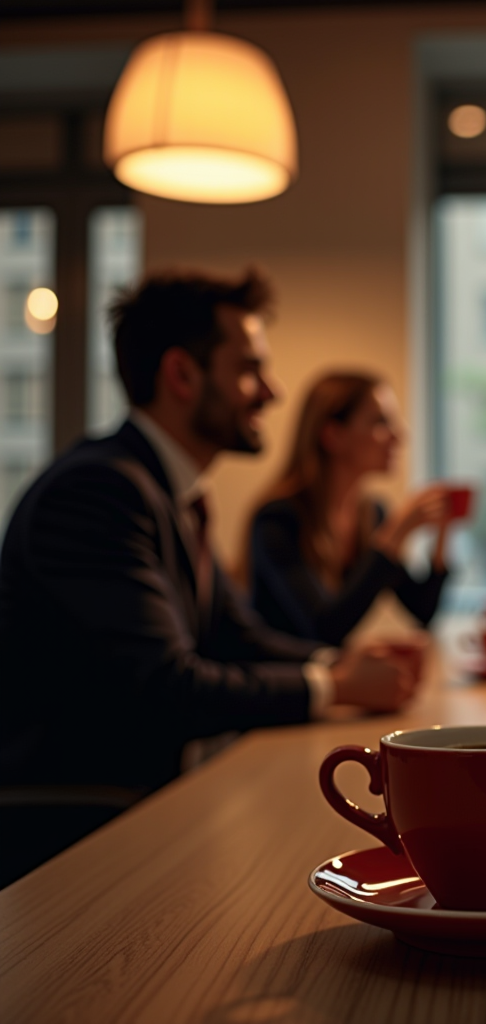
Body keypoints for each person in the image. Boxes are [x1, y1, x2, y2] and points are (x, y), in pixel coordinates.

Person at [0, 270, 419, 803]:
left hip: (142, 801)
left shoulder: (175, 494)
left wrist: (337, 665)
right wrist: (334, 686)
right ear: (182, 374)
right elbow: (166, 688)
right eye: (250, 369)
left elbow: (234, 636)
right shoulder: (97, 491)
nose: (273, 391)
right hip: (74, 817)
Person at [247, 373, 453, 645]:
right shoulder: (278, 520)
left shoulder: (370, 514)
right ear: (333, 435)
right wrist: (396, 532)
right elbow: (324, 629)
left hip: (333, 680)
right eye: (381, 422)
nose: (400, 434)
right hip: (284, 682)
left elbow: (422, 610)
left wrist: (443, 531)